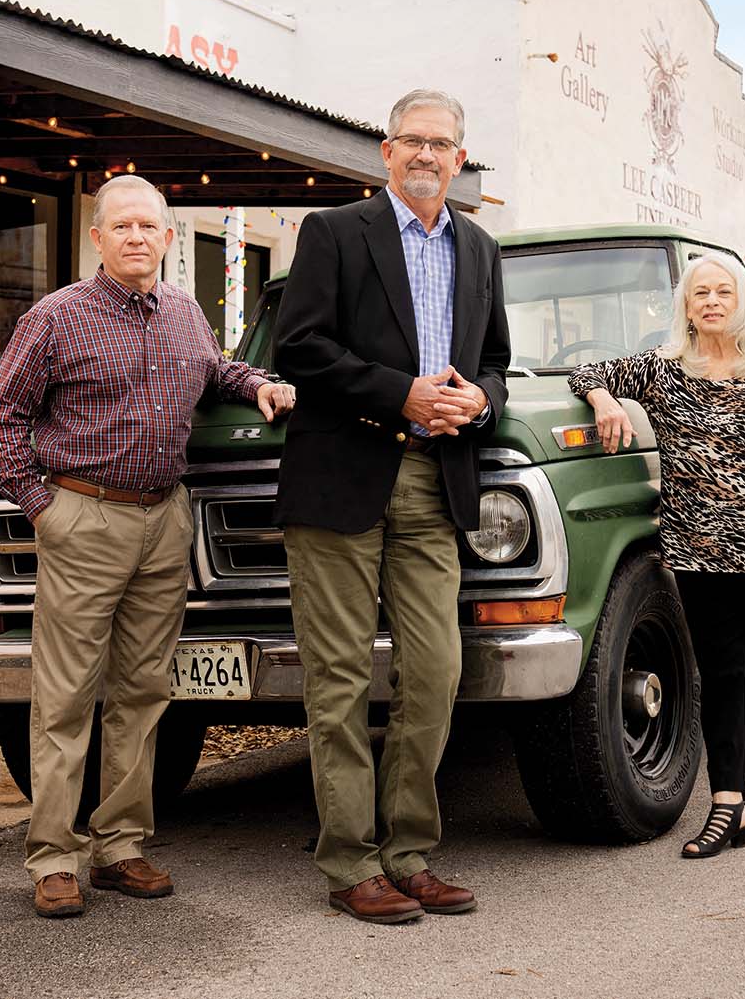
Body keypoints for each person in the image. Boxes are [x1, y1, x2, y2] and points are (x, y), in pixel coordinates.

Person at [0, 174, 295, 919]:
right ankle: (54, 858)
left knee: (144, 692)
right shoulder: (56, 319)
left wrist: (259, 386)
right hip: (84, 518)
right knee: (65, 697)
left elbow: (214, 369)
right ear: (97, 237)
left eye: (149, 227)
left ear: (168, 238)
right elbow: (1, 419)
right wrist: (42, 509)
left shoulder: (186, 313)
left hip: (164, 522)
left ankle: (120, 846)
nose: (136, 238)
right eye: (121, 226)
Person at [273, 88, 512, 924]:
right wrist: (400, 395)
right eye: (412, 140)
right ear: (385, 150)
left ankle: (409, 852)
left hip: (435, 479)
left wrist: (474, 404)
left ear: (460, 157)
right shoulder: (335, 233)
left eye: (441, 144)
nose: (426, 155)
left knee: (437, 674)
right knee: (338, 678)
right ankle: (348, 861)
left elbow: (496, 365)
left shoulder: (480, 249)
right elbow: (297, 347)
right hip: (341, 475)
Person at [567, 251, 745, 858]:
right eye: (700, 292)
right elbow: (585, 371)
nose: (711, 301)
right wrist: (605, 400)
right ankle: (726, 803)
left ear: (742, 304)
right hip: (698, 550)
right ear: (686, 305)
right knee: (721, 674)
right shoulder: (663, 370)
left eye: (723, 292)